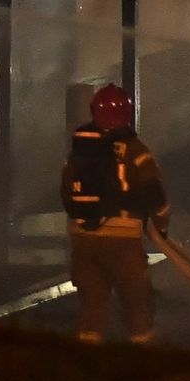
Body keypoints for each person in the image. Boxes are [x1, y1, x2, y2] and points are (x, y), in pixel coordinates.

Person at [60, 83, 170, 345]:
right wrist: (161, 228)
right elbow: (157, 196)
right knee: (137, 301)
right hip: (123, 243)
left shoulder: (80, 150)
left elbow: (66, 192)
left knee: (92, 304)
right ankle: (141, 358)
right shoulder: (136, 150)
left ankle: (87, 362)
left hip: (84, 240)